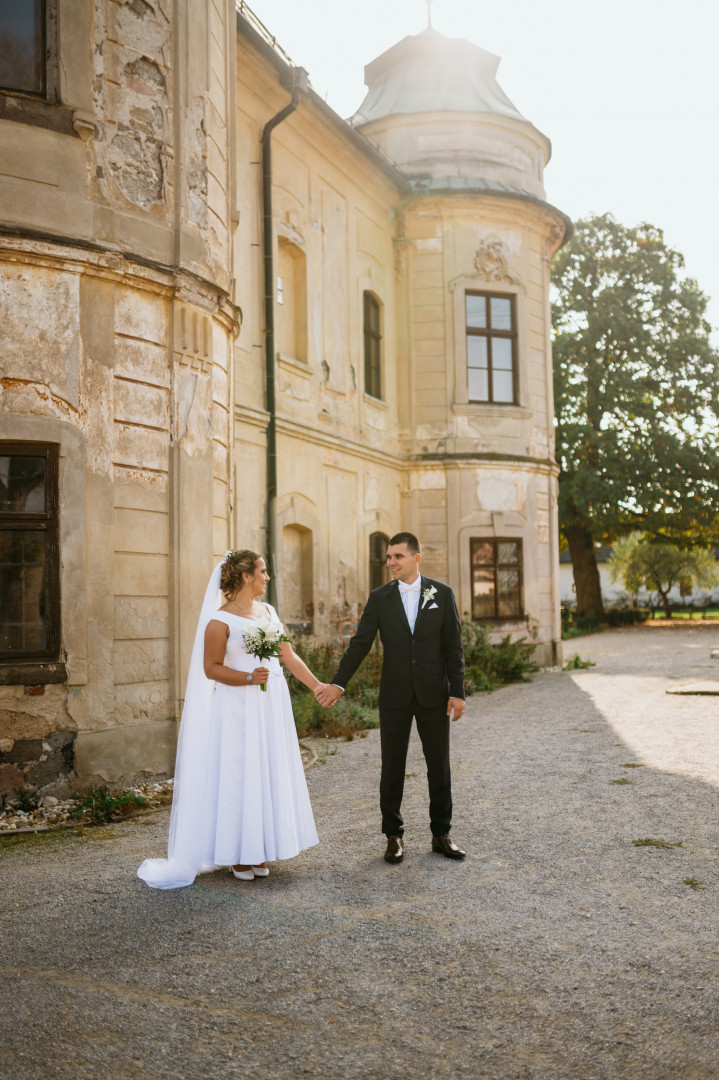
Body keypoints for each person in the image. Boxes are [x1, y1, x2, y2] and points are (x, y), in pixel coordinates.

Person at [138, 549, 320, 889]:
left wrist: (317, 686)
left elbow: (288, 656)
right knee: (239, 773)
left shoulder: (268, 611)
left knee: (266, 770)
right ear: (246, 576)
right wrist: (249, 678)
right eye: (263, 572)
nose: (267, 577)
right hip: (237, 706)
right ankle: (237, 852)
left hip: (271, 704)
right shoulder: (219, 621)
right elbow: (211, 668)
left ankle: (258, 847)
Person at [316, 532, 466, 863]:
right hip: (394, 695)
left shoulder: (442, 594)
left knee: (439, 766)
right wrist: (338, 683)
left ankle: (441, 834)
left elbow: (453, 647)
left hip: (434, 694)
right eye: (388, 557)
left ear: (416, 558)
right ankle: (393, 836)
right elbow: (360, 644)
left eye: (398, 556)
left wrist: (457, 691)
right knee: (392, 767)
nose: (391, 563)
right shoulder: (380, 598)